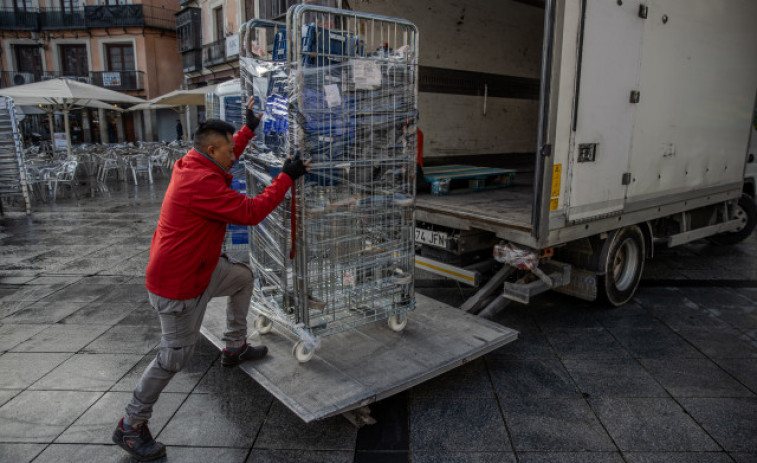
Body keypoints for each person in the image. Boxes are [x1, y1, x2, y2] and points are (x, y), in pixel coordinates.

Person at [112, 97, 309, 461]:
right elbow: (250, 212)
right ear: (212, 150)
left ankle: (233, 347)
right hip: (178, 283)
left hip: (201, 269)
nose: (234, 157)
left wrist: (249, 128)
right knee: (173, 357)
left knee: (242, 278)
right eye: (229, 151)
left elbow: (227, 147)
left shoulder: (196, 162)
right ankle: (130, 424)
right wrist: (286, 177)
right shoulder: (200, 183)